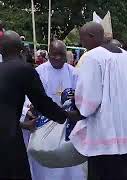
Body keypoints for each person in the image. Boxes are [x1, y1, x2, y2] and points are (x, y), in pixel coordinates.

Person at [69, 22, 127, 180]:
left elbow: (89, 102)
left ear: (91, 37)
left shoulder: (92, 57)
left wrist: (77, 104)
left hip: (106, 132)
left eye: (83, 39)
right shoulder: (126, 55)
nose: (82, 44)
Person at [0, 31, 80, 180]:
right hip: (9, 138)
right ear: (21, 49)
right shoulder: (24, 70)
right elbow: (42, 103)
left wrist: (23, 124)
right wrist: (67, 115)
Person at [20, 40, 86, 180]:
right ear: (48, 54)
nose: (57, 58)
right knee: (45, 164)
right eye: (54, 54)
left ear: (66, 55)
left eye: (61, 54)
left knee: (68, 163)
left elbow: (80, 97)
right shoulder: (38, 72)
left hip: (67, 123)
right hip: (44, 124)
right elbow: (30, 98)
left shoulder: (74, 73)